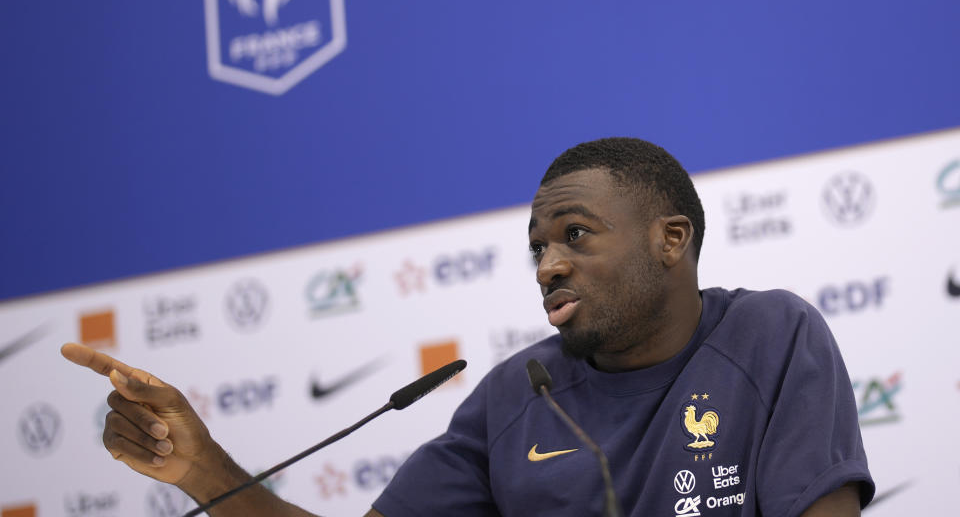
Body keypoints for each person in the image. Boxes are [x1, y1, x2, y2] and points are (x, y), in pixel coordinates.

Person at [62, 137, 873, 516]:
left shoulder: (771, 336)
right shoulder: (520, 396)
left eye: (576, 236)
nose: (549, 264)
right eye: (538, 248)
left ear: (672, 239)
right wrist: (203, 468)